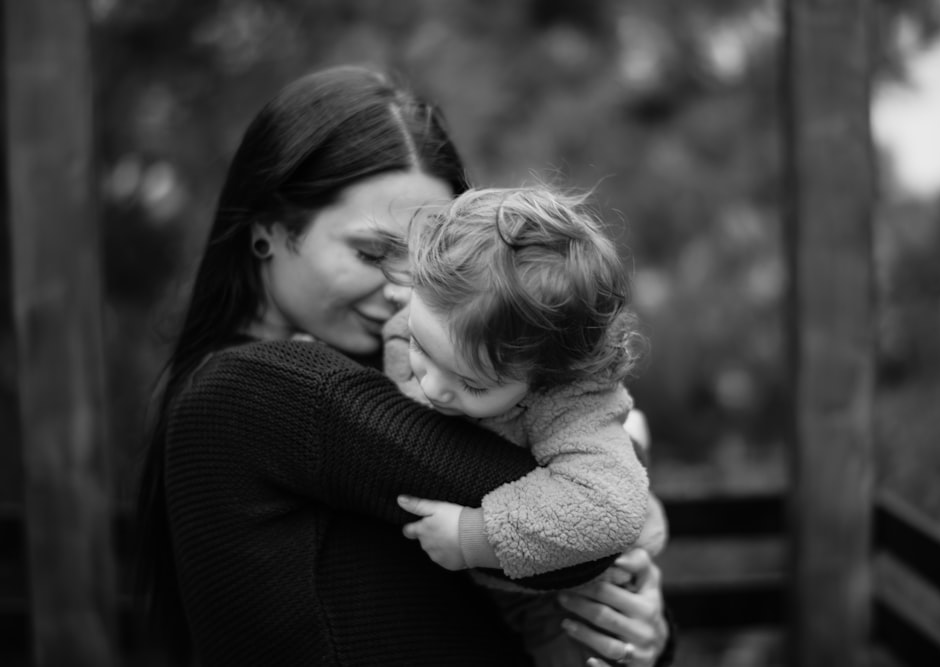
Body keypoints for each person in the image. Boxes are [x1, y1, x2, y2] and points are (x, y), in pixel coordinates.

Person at [136, 64, 674, 667]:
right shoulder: (253, 391)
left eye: (427, 258)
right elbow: (588, 532)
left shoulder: (413, 370)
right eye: (370, 252)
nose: (400, 287)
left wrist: (639, 636)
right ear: (269, 230)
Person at [377, 185, 663, 667]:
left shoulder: (571, 401)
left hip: (566, 594)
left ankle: (632, 438)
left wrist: (477, 533)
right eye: (422, 348)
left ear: (547, 375)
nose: (436, 388)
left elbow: (608, 505)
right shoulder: (443, 311)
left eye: (472, 383)